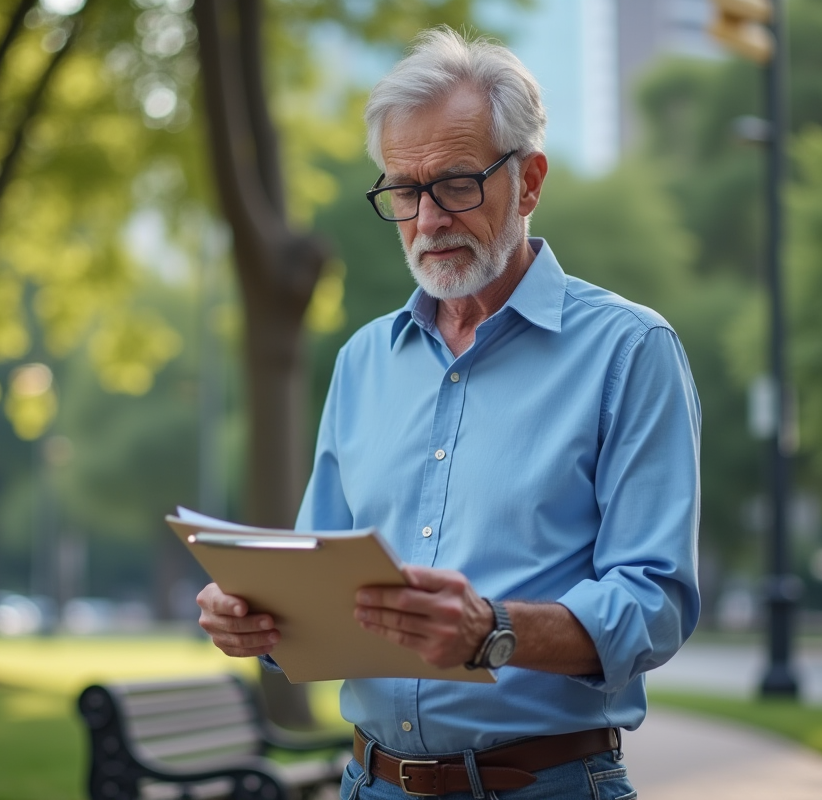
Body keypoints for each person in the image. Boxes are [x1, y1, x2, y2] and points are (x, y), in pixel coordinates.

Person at [197, 27, 701, 799]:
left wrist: (494, 630)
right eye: (403, 188)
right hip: (370, 783)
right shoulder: (363, 361)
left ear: (528, 182)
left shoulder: (630, 351)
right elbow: (319, 579)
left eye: (457, 184)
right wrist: (258, 618)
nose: (428, 218)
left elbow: (655, 604)